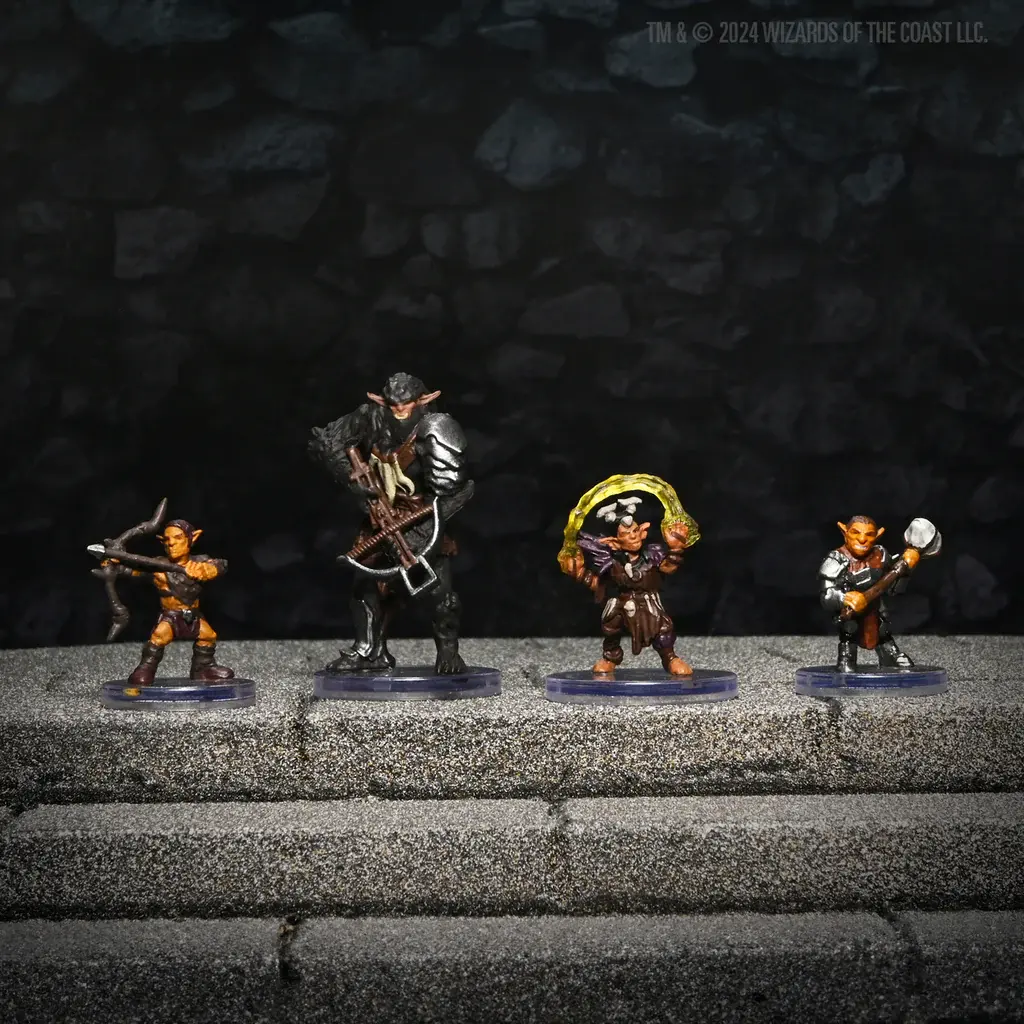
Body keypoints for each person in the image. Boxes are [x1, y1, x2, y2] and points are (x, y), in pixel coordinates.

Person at [309, 372, 473, 674]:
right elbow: (328, 443)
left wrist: (427, 524)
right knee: (365, 585)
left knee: (437, 591)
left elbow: (456, 490)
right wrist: (355, 483)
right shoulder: (369, 417)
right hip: (379, 513)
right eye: (393, 406)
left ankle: (448, 653)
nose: (399, 411)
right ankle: (370, 651)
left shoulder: (436, 427)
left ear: (422, 401)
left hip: (421, 517)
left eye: (405, 405)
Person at [561, 496, 692, 676]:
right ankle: (610, 658)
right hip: (622, 602)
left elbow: (668, 567)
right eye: (626, 534)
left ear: (643, 532)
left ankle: (670, 658)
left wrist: (676, 549)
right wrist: (579, 572)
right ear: (615, 542)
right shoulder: (613, 564)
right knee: (611, 625)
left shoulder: (652, 556)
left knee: (663, 629)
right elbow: (599, 584)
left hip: (647, 602)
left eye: (636, 531)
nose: (633, 536)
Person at [104, 520, 234, 685]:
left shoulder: (200, 561)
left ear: (192, 539)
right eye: (167, 539)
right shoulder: (158, 566)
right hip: (171, 616)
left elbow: (222, 565)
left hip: (193, 614)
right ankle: (145, 668)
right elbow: (132, 570)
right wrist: (115, 564)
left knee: (208, 636)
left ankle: (203, 668)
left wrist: (210, 569)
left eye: (178, 538)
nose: (171, 543)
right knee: (159, 638)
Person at [819, 515, 920, 672]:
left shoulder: (881, 555)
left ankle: (889, 655)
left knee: (882, 630)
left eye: (869, 534)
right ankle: (847, 657)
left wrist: (906, 569)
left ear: (877, 536)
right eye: (855, 533)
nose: (862, 539)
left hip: (876, 609)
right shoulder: (836, 559)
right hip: (851, 614)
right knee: (849, 631)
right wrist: (845, 598)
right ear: (845, 532)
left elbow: (893, 589)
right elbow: (826, 595)